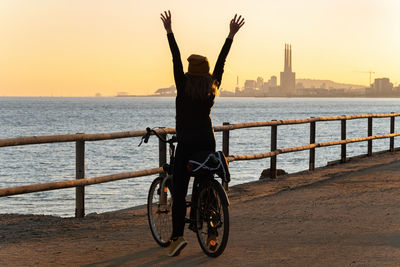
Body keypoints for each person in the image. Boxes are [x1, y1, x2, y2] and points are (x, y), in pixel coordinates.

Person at [160, 10, 244, 257]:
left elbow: (175, 58)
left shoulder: (183, 86)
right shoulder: (211, 88)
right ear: (206, 73)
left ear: (188, 72)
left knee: (179, 189)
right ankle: (212, 233)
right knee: (207, 182)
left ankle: (176, 239)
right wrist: (230, 35)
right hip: (207, 141)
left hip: (186, 143)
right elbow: (222, 62)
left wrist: (169, 31)